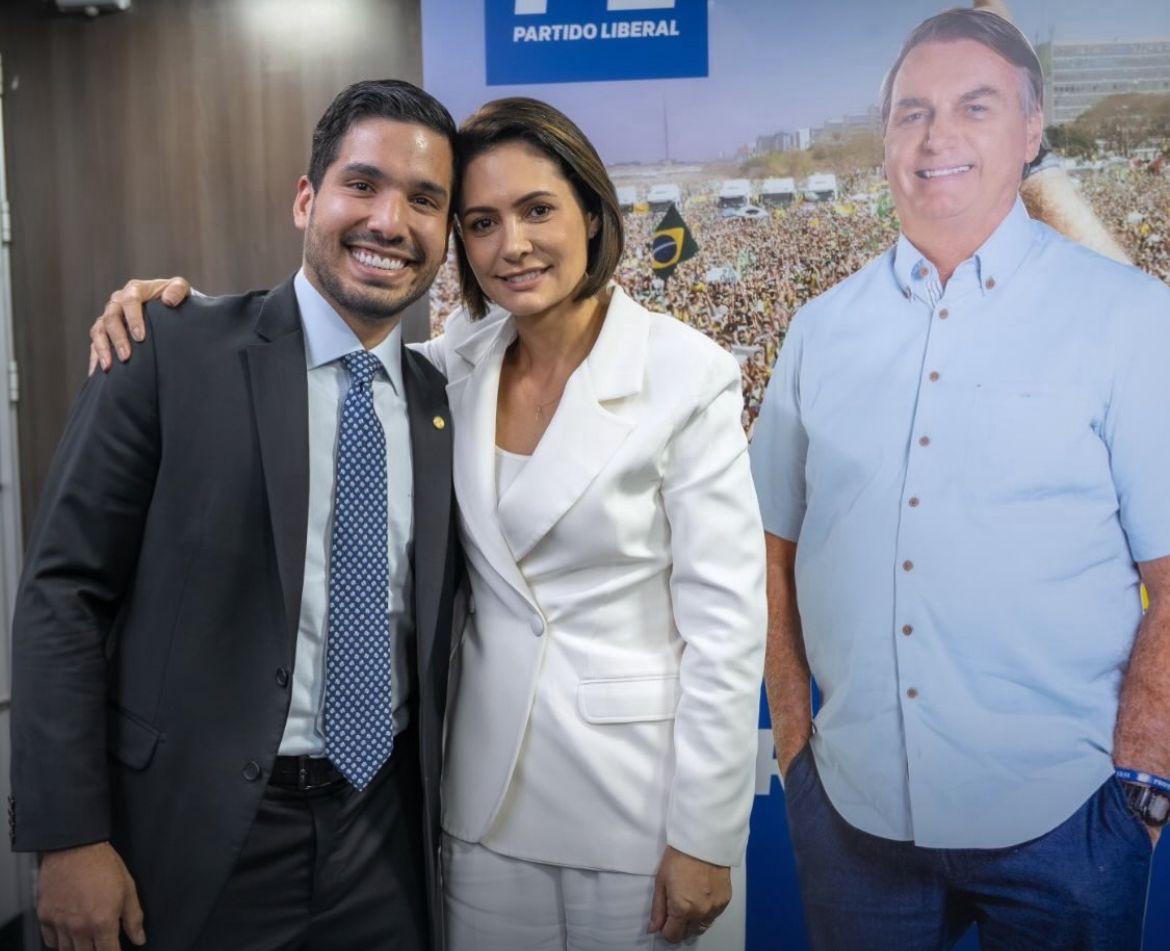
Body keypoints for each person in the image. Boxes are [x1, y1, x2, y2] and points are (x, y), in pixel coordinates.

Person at [89, 96, 767, 950]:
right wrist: (174, 312)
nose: (510, 244)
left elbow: (727, 626)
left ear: (593, 216)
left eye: (538, 210)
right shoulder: (454, 366)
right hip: (474, 806)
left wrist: (706, 830)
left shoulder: (684, 372)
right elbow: (316, 347)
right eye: (481, 222)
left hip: (635, 802)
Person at [750, 8, 1170, 949]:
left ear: (1031, 132)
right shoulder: (819, 329)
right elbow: (770, 550)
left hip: (1069, 827)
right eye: (911, 113)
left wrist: (1141, 785)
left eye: (974, 107)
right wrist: (794, 749)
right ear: (886, 140)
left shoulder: (1132, 318)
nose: (936, 136)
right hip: (851, 820)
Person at [10, 79, 463, 951]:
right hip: (190, 837)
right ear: (307, 198)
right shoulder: (167, 348)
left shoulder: (444, 403)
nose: (390, 222)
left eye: (424, 201)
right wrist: (68, 834)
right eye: (361, 185)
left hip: (386, 842)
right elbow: (62, 595)